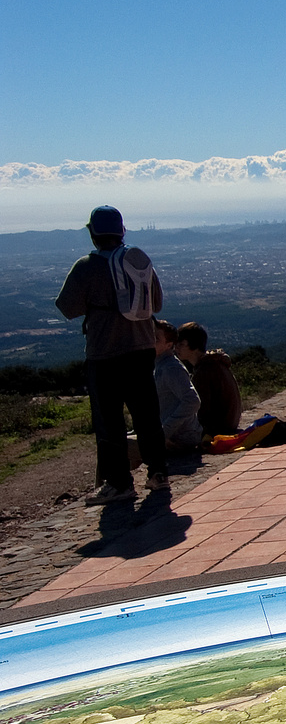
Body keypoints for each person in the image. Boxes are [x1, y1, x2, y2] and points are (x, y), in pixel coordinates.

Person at [55, 205, 169, 504]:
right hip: (143, 349)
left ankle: (119, 483)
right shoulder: (141, 264)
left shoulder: (86, 267)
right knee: (147, 415)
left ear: (93, 233)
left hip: (104, 354)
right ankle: (159, 473)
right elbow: (156, 304)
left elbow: (67, 308)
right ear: (122, 232)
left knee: (109, 422)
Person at [176, 321, 243, 437]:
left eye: (181, 344)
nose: (176, 348)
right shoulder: (214, 364)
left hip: (218, 428)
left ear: (194, 346)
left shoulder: (205, 371)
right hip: (228, 424)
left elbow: (201, 408)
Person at [150, 320, 203, 452]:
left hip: (181, 436)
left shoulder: (171, 368)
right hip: (174, 434)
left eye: (156, 338)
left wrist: (166, 430)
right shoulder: (158, 366)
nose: (150, 340)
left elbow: (193, 401)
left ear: (168, 345)